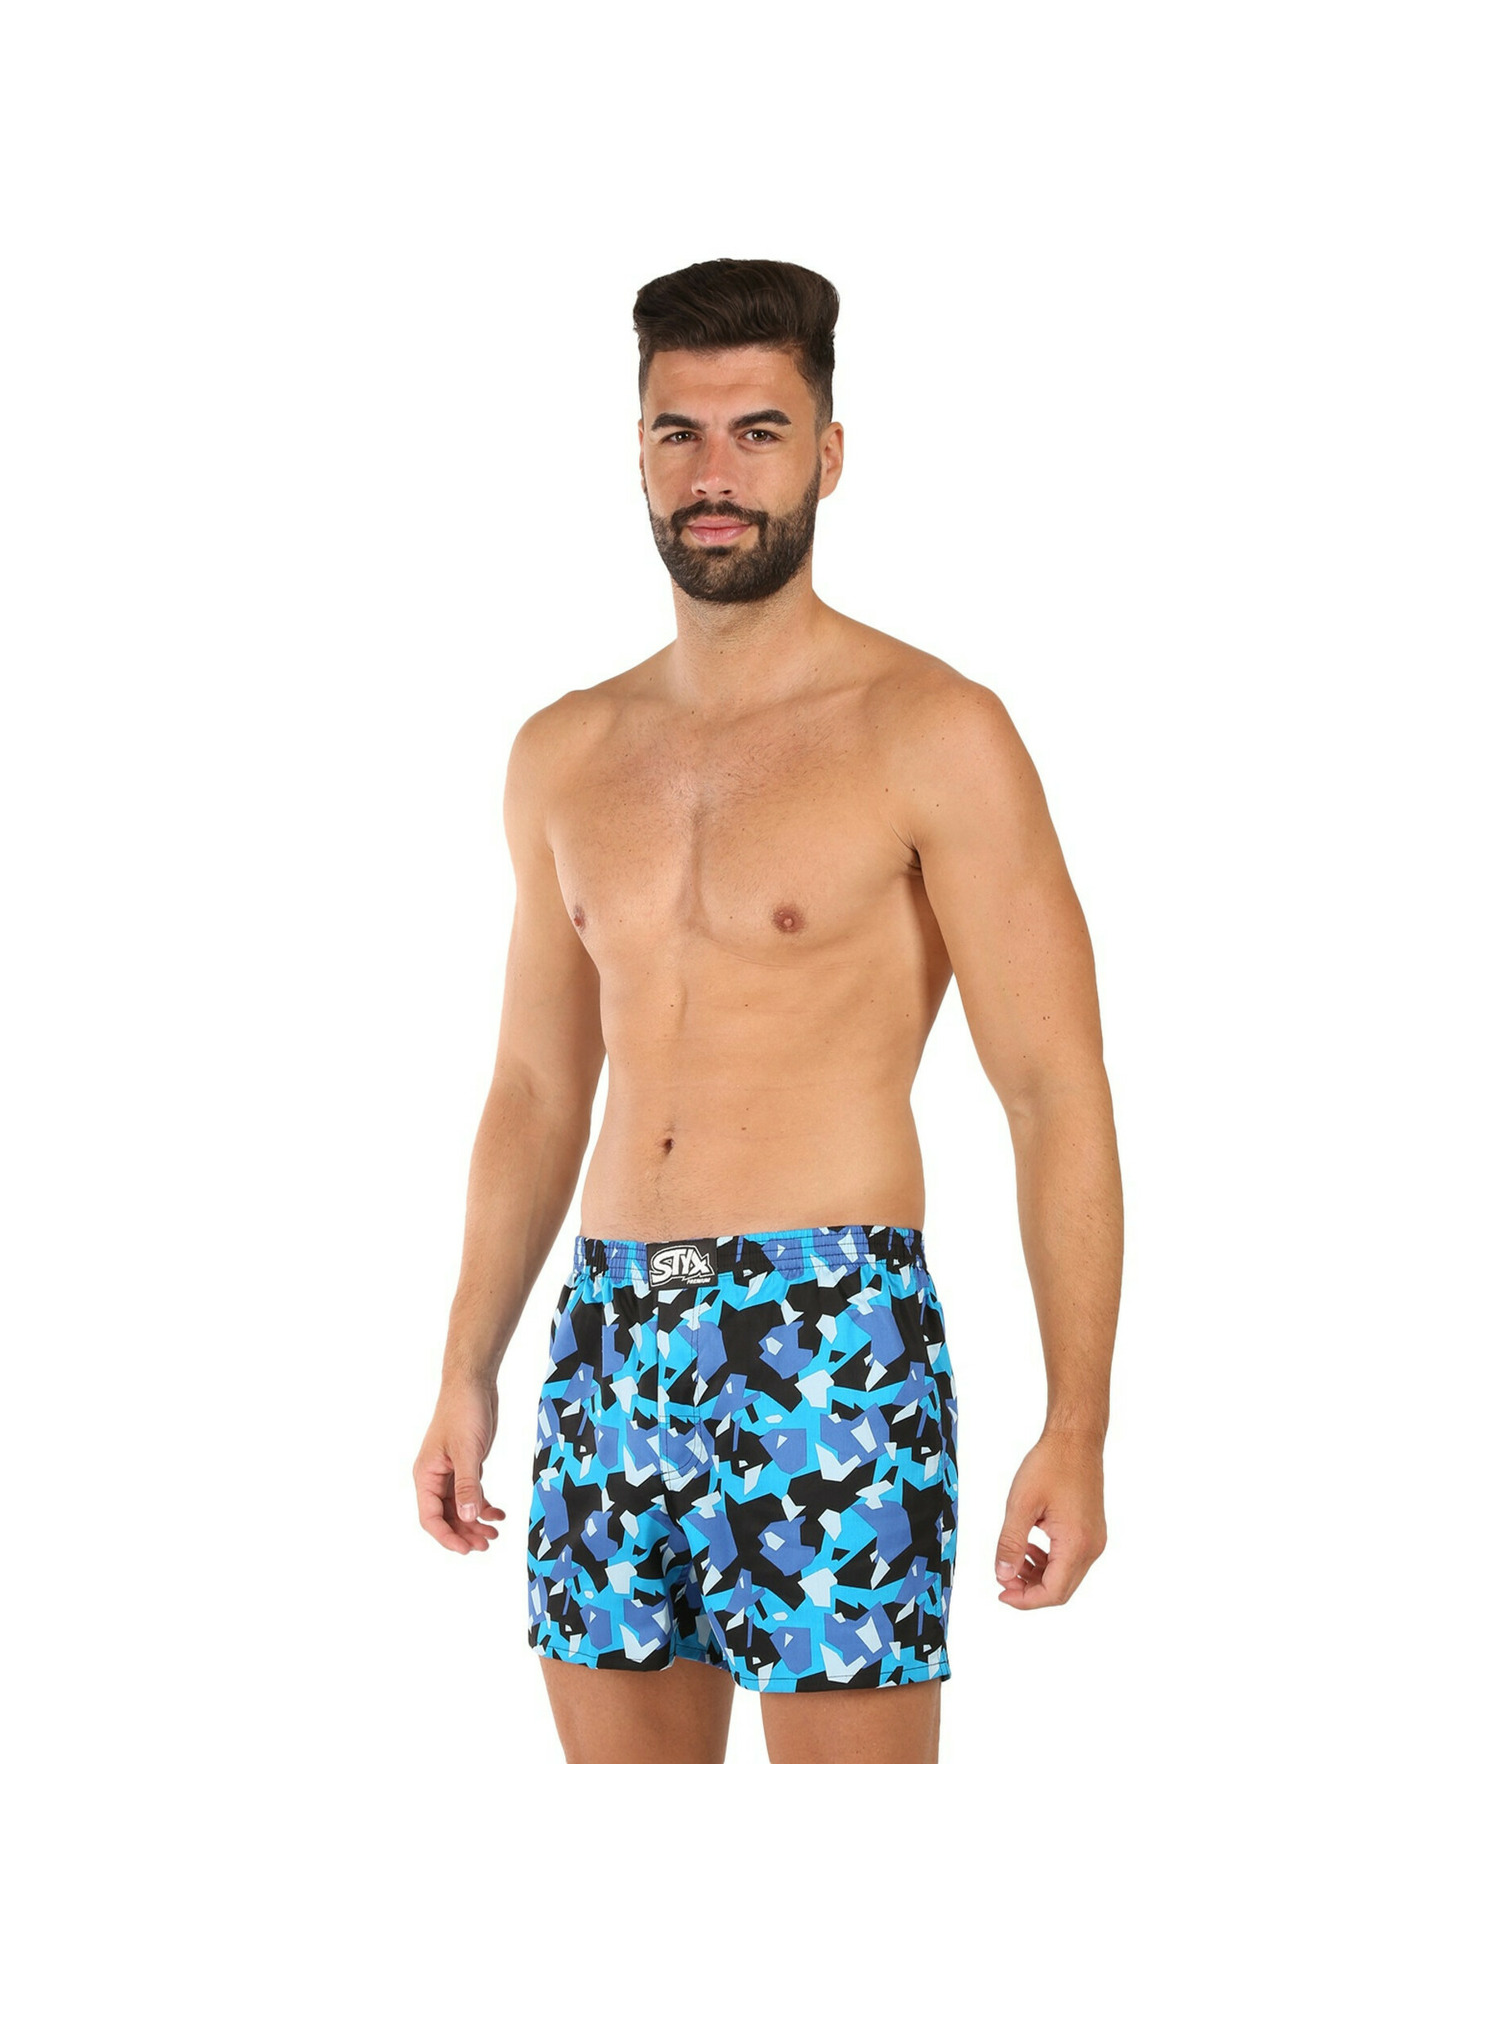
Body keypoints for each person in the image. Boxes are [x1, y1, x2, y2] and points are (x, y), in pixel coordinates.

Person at [412, 258, 1123, 1765]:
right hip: (609, 1337)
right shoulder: (564, 751)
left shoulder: (932, 730)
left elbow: (1053, 1090)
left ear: (829, 455)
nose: (714, 474)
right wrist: (467, 1367)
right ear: (639, 452)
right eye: (680, 433)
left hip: (830, 1332)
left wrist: (1078, 1424)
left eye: (758, 431)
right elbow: (536, 1087)